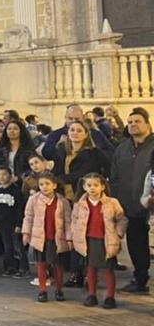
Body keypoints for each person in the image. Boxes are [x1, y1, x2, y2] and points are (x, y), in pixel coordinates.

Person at [70, 173, 127, 309]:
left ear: (102, 186)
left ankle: (110, 297)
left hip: (106, 241)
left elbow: (121, 219)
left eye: (96, 185)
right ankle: (92, 295)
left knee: (108, 270)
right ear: (84, 186)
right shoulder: (80, 204)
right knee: (90, 269)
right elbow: (74, 220)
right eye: (89, 185)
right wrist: (75, 235)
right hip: (88, 240)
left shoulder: (112, 202)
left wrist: (118, 234)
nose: (92, 188)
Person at [112, 107, 152, 294]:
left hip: (151, 205)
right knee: (136, 243)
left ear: (148, 125)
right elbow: (115, 176)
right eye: (130, 122)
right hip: (130, 205)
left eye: (137, 121)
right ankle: (140, 278)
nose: (133, 124)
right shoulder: (122, 148)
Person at [22, 172, 72, 303]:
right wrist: (26, 233)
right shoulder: (33, 200)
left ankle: (59, 290)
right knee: (41, 265)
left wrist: (69, 238)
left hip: (57, 238)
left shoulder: (62, 201)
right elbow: (28, 218)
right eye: (41, 184)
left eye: (47, 184)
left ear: (54, 185)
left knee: (58, 265)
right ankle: (42, 290)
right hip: (40, 238)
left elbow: (68, 220)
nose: (44, 187)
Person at [45, 120, 110, 200]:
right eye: (72, 130)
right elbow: (56, 169)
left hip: (84, 195)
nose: (75, 133)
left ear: (86, 135)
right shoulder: (61, 150)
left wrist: (57, 179)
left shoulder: (94, 153)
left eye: (79, 131)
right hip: (62, 194)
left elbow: (82, 174)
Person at [0, 166, 28, 278]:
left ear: (10, 176)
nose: (2, 177)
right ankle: (11, 267)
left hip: (14, 223)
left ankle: (23, 268)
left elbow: (20, 209)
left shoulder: (16, 191)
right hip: (3, 224)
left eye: (4, 174)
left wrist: (19, 224)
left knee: (18, 247)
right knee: (7, 247)